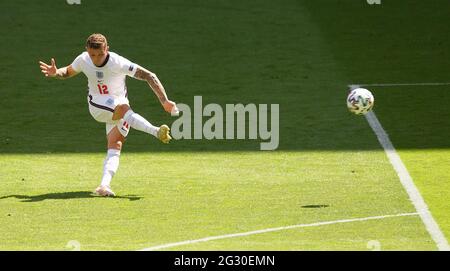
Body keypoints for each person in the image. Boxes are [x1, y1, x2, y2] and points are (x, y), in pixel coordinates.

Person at [39, 33, 177, 197]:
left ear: (107, 49)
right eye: (92, 55)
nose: (96, 59)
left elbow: (149, 75)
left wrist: (165, 101)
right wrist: (56, 72)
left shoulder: (117, 62)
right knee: (123, 108)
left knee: (115, 145)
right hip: (98, 105)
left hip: (118, 106)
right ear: (87, 51)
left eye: (100, 54)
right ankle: (156, 132)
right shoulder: (83, 60)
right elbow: (67, 72)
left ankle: (104, 186)